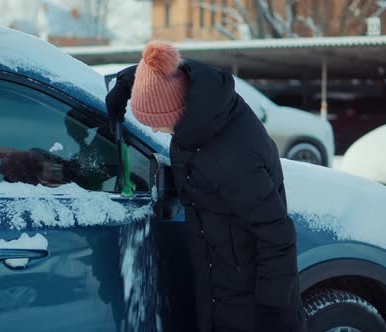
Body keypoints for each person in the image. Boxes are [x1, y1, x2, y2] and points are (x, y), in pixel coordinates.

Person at [106, 41, 306, 332]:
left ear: (176, 112)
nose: (152, 130)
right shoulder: (200, 107)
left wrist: (273, 309)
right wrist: (126, 85)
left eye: (155, 122)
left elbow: (277, 234)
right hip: (218, 275)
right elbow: (161, 75)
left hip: (247, 302)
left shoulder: (233, 158)